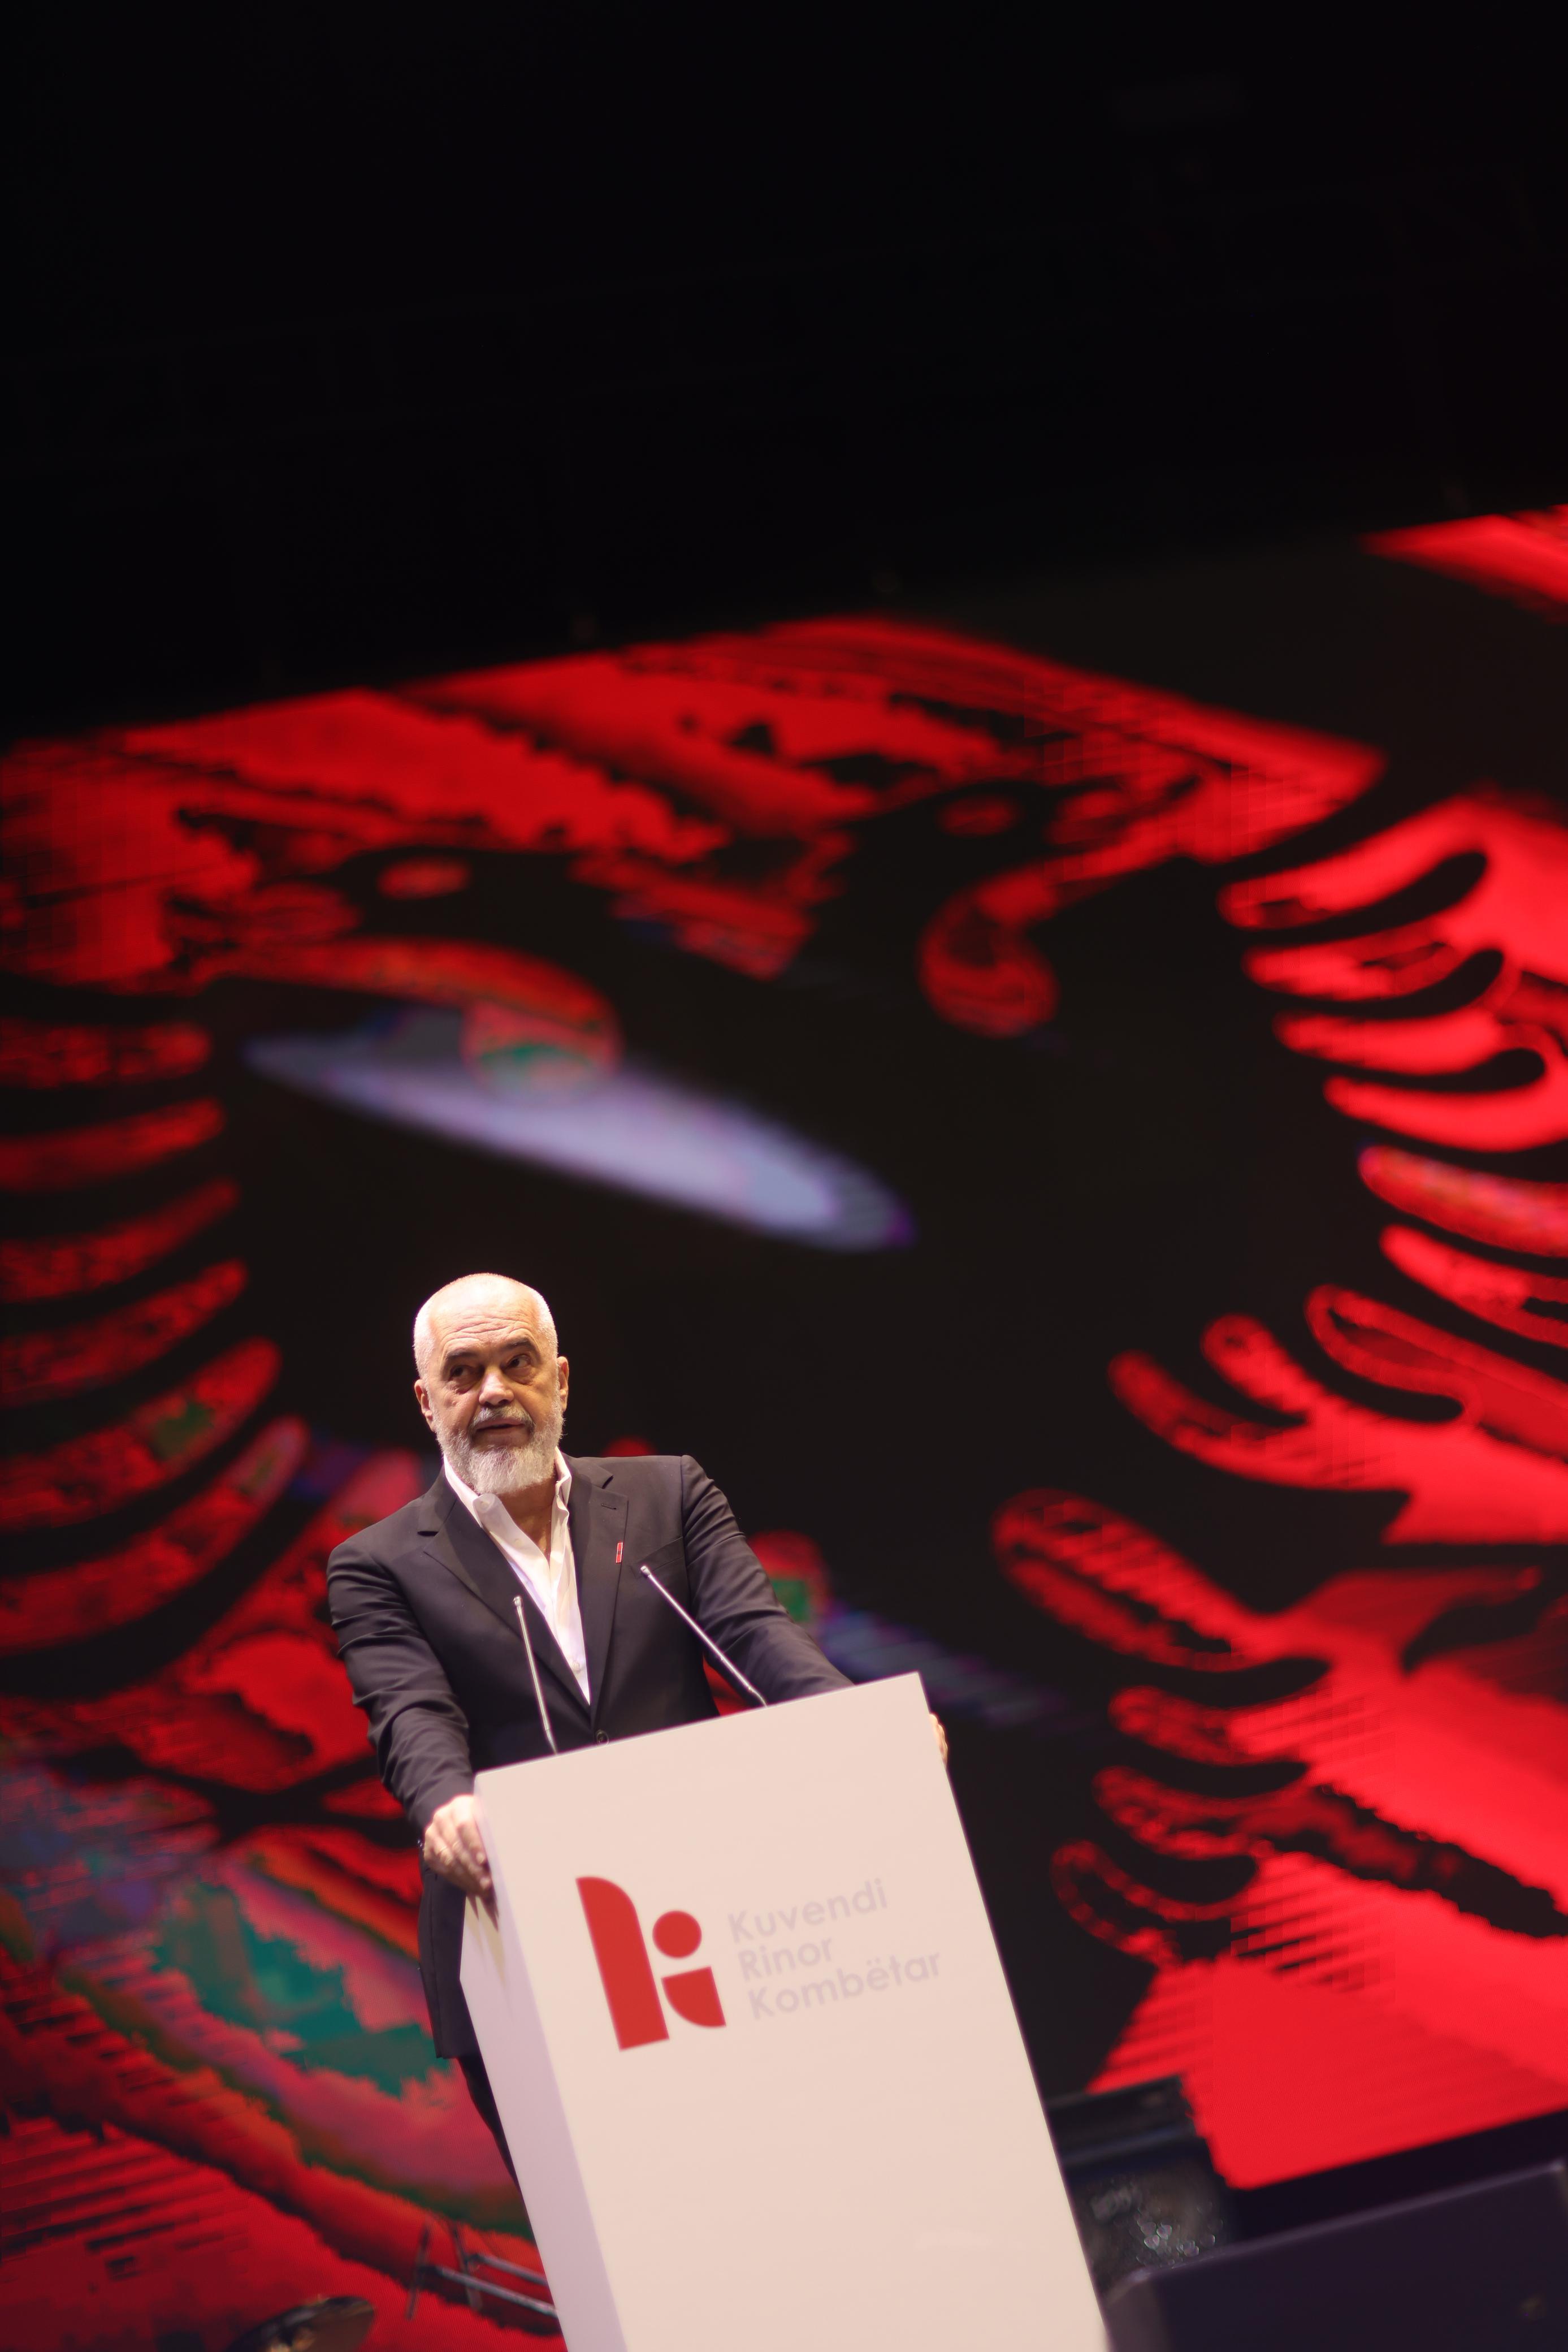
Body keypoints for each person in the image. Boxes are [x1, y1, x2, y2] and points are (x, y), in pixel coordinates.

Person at [326, 1270, 946, 2174]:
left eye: (517, 1363)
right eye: (463, 1372)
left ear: (560, 1381)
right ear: (428, 1403)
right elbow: (409, 1711)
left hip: (708, 1922)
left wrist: (858, 1727)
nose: (493, 1391)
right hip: (522, 1940)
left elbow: (755, 1635)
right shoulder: (377, 1565)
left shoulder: (669, 1496)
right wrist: (446, 1808)